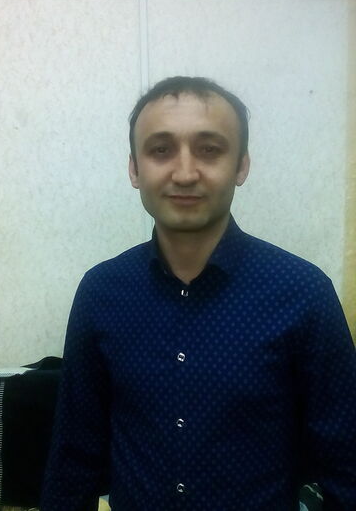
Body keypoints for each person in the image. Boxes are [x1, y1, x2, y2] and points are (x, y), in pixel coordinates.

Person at [40, 76, 356, 511]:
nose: (185, 173)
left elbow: (346, 463)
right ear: (134, 169)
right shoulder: (101, 293)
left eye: (209, 149)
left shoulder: (303, 293)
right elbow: (74, 459)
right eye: (160, 150)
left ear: (241, 166)